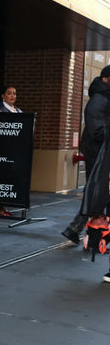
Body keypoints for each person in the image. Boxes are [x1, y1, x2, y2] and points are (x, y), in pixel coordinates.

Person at [62, 65, 110, 245]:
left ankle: (79, 231)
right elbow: (97, 129)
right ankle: (78, 231)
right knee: (97, 195)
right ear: (106, 78)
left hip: (102, 153)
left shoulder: (105, 97)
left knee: (98, 195)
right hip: (99, 154)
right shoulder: (100, 99)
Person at [0, 85, 22, 216]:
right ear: (3, 96)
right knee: (0, 178)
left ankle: (3, 206)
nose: (13, 96)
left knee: (9, 179)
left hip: (15, 151)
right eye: (9, 93)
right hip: (1, 151)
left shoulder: (19, 111)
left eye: (14, 93)